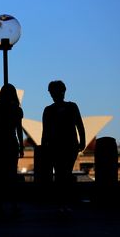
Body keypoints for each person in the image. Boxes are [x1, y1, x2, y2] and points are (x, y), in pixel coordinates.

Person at [41, 80, 85, 214]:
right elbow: (80, 126)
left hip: (60, 146)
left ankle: (62, 203)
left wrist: (44, 147)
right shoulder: (70, 107)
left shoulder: (50, 110)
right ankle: (63, 202)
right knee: (64, 174)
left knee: (61, 174)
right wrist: (82, 141)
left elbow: (46, 132)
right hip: (67, 145)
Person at [0, 83, 24, 215]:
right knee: (11, 174)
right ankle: (14, 204)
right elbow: (19, 129)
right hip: (11, 142)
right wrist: (21, 147)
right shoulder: (16, 109)